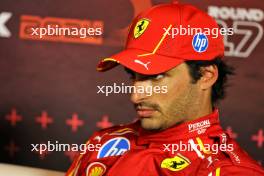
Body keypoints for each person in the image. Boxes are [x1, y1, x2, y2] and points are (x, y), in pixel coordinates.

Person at [66, 1, 264, 175]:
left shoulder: (230, 171)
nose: (135, 97)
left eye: (156, 77)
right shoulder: (103, 142)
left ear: (205, 76)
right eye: (134, 76)